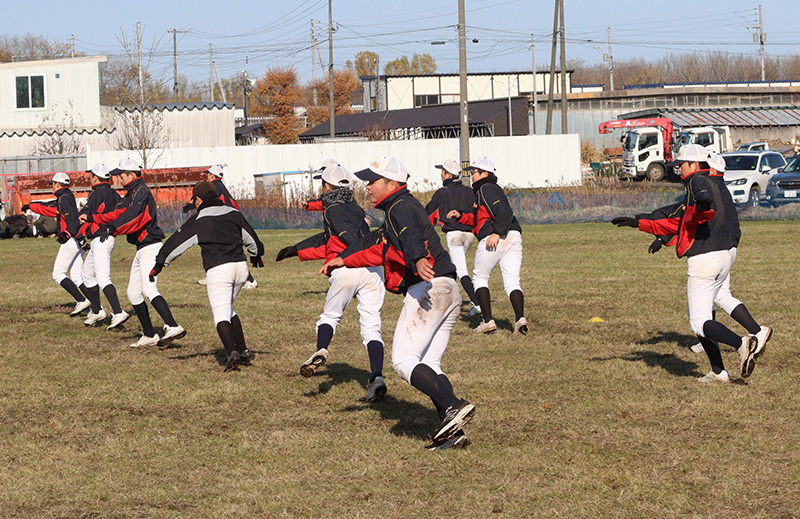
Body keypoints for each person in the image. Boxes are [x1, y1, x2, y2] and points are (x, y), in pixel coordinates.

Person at [322, 156, 475, 451]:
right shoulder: (399, 209)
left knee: (404, 362)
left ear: (392, 184)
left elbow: (410, 237)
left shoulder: (399, 207)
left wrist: (417, 259)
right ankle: (452, 429)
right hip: (447, 289)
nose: (367, 186)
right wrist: (343, 258)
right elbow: (375, 246)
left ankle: (453, 405)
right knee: (428, 363)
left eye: (373, 181)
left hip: (428, 287)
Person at [612, 144, 771, 383]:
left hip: (705, 260)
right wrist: (640, 223)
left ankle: (743, 343)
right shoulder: (712, 185)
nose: (679, 170)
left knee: (699, 322)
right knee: (708, 314)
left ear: (695, 165)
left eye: (682, 165)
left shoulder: (699, 181)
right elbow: (678, 220)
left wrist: (702, 203)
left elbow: (696, 204)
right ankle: (718, 371)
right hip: (722, 256)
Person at [276, 164, 387, 401]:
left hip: (348, 266)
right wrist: (297, 249)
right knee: (371, 326)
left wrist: (342, 258)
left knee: (330, 316)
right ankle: (377, 376)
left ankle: (321, 349)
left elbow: (344, 240)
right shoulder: (355, 207)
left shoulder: (332, 211)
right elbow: (332, 239)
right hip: (373, 270)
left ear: (326, 186)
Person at [151, 181, 264, 371]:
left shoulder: (199, 219)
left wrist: (159, 264)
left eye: (194, 199)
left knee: (220, 313)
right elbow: (251, 238)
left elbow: (176, 243)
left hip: (219, 269)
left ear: (199, 199)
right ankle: (243, 350)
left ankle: (231, 354)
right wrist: (256, 254)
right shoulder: (233, 213)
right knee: (227, 309)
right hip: (241, 268)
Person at [85, 158, 186, 348]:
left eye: (121, 176)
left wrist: (112, 228)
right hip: (142, 248)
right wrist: (95, 218)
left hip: (151, 247)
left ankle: (172, 325)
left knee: (148, 290)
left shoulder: (141, 192)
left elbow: (134, 217)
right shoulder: (132, 193)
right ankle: (149, 334)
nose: (119, 180)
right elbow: (117, 213)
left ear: (132, 175)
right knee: (133, 293)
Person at [447, 157, 527, 335]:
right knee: (512, 281)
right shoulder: (485, 190)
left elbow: (504, 212)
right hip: (513, 235)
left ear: (485, 174)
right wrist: (461, 216)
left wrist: (497, 233)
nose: (472, 175)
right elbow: (478, 218)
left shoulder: (487, 188)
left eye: (474, 172)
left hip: (497, 236)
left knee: (480, 279)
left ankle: (488, 321)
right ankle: (520, 319)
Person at [23, 172, 91, 316]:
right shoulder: (66, 196)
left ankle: (81, 300)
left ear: (57, 184)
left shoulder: (64, 198)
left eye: (52, 184)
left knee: (58, 274)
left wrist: (76, 237)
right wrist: (32, 206)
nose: (52, 187)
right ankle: (97, 308)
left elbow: (73, 220)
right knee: (77, 276)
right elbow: (50, 208)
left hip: (71, 238)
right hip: (75, 238)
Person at [77, 164, 130, 329]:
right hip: (103, 238)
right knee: (87, 274)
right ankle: (97, 309)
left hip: (101, 238)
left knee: (102, 278)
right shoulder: (113, 193)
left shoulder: (97, 193)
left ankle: (118, 311)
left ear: (95, 177)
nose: (89, 178)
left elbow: (89, 216)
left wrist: (79, 230)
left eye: (91, 176)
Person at [425, 159, 480, 316]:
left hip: (454, 235)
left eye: (442, 172)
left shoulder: (442, 193)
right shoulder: (469, 191)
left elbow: (427, 216)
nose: (441, 175)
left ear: (448, 174)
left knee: (460, 269)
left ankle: (477, 303)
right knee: (451, 266)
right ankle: (446, 298)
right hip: (469, 235)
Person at [194, 165, 259, 290]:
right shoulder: (219, 187)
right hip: (228, 221)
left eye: (208, 174)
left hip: (225, 223)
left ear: (213, 176)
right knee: (216, 249)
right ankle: (212, 275)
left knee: (229, 251)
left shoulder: (215, 188)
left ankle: (250, 280)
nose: (207, 176)